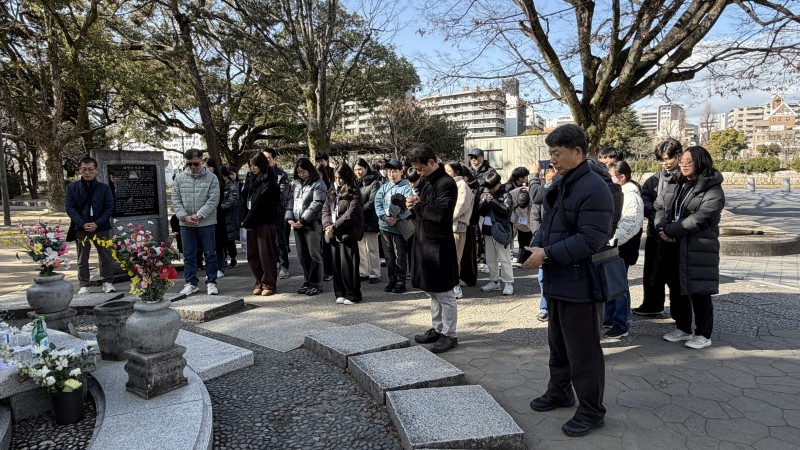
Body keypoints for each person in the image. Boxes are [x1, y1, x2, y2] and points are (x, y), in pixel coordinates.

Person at [522, 124, 613, 438]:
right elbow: (549, 225)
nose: (552, 160)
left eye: (557, 153)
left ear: (578, 151)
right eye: (550, 153)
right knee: (558, 345)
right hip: (558, 280)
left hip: (583, 284)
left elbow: (590, 240)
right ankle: (559, 391)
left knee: (583, 351)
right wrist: (536, 244)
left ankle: (591, 411)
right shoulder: (562, 184)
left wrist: (545, 254)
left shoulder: (594, 187)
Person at [654, 146, 724, 350]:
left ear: (701, 162)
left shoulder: (713, 189)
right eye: (682, 160)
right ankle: (683, 327)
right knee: (676, 288)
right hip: (672, 245)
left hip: (697, 247)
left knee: (699, 291)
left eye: (689, 161)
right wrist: (662, 228)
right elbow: (660, 207)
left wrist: (673, 230)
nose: (683, 164)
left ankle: (704, 333)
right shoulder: (675, 182)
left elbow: (702, 217)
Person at [407, 144, 460, 353]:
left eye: (420, 168)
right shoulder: (428, 182)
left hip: (439, 246)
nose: (418, 173)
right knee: (433, 291)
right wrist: (414, 205)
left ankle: (450, 334)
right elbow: (425, 211)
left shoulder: (446, 183)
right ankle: (438, 328)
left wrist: (417, 205)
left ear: (431, 162)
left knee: (445, 293)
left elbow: (440, 214)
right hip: (424, 242)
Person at [634, 139, 682, 316]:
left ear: (678, 155)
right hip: (655, 233)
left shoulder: (685, 177)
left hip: (676, 234)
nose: (665, 163)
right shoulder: (653, 179)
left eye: (668, 159)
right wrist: (655, 213)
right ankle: (652, 303)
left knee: (674, 275)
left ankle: (681, 314)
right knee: (652, 271)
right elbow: (643, 200)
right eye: (661, 160)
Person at [602, 161, 644, 339]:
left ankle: (621, 322)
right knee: (611, 283)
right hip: (615, 246)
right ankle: (610, 317)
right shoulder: (619, 192)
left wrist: (613, 240)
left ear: (622, 177)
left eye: (612, 175)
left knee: (619, 286)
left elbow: (630, 224)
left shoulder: (630, 195)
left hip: (621, 247)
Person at [172, 149, 221, 296]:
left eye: (196, 163)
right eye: (189, 164)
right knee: (189, 255)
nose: (193, 167)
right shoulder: (179, 178)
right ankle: (191, 282)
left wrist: (199, 215)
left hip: (206, 221)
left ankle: (211, 282)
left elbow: (213, 200)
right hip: (186, 223)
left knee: (210, 253)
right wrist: (184, 217)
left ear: (202, 161)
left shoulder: (212, 178)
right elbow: (176, 200)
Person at [65, 156, 116, 294]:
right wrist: (82, 223)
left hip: (101, 227)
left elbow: (109, 207)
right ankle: (84, 284)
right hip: (81, 228)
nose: (87, 173)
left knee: (105, 256)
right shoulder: (72, 187)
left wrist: (97, 223)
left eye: (90, 170)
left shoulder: (104, 188)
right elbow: (70, 208)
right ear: (80, 170)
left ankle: (108, 282)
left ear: (96, 171)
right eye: (84, 169)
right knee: (82, 258)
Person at [323, 163, 364, 304]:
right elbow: (326, 210)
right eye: (335, 177)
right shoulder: (332, 191)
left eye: (340, 178)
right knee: (336, 265)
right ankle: (339, 292)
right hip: (333, 233)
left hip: (348, 233)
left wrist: (335, 226)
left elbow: (351, 214)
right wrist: (327, 225)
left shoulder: (354, 191)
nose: (338, 180)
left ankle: (353, 294)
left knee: (349, 265)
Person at [286, 158, 327, 296]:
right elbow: (290, 201)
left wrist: (304, 220)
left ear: (309, 170)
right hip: (297, 223)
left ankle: (316, 283)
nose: (301, 174)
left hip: (311, 223)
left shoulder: (318, 183)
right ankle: (307, 281)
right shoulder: (295, 184)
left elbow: (317, 203)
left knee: (314, 254)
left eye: (303, 172)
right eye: (298, 172)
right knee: (302, 255)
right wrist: (289, 218)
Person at [241, 153, 280, 296]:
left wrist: (248, 220)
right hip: (251, 222)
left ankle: (269, 283)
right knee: (253, 254)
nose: (253, 168)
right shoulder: (251, 180)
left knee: (266, 254)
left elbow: (262, 204)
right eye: (251, 165)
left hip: (263, 222)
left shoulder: (270, 182)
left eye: (255, 165)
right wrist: (245, 219)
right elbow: (244, 199)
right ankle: (259, 281)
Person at [374, 159, 415, 294]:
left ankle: (400, 280)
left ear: (401, 172)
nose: (391, 174)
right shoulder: (384, 187)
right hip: (384, 226)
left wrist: (397, 217)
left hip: (399, 227)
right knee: (388, 255)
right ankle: (391, 279)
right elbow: (377, 203)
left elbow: (410, 207)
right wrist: (384, 217)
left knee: (400, 254)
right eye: (389, 171)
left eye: (394, 171)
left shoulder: (407, 187)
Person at [477, 170, 515, 296]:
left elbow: (506, 211)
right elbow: (480, 211)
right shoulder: (485, 194)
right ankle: (494, 281)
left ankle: (508, 283)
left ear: (499, 183)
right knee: (490, 259)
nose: (491, 190)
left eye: (493, 187)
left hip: (501, 230)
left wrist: (493, 201)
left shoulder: (506, 195)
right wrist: (484, 202)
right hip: (488, 231)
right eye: (489, 188)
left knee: (504, 258)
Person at [528, 162, 557, 321]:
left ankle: (554, 307)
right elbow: (534, 217)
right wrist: (538, 237)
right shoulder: (542, 192)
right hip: (544, 240)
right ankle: (544, 307)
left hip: (558, 242)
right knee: (542, 277)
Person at [444, 162, 474, 299]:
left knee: (455, 257)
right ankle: (450, 283)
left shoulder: (462, 186)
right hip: (449, 224)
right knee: (449, 257)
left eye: (448, 171)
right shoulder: (450, 184)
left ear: (456, 172)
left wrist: (445, 217)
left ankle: (455, 286)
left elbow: (461, 206)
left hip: (458, 225)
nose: (445, 173)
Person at [264, 149, 291, 279]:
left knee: (281, 240)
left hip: (277, 213)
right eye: (264, 158)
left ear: (274, 159)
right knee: (267, 241)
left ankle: (284, 266)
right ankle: (272, 263)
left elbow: (282, 196)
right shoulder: (261, 174)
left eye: (269, 158)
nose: (266, 160)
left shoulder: (282, 175)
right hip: (264, 214)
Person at [354, 158, 381, 284]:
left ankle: (375, 273)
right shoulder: (355, 183)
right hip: (358, 221)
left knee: (372, 249)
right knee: (361, 249)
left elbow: (373, 201)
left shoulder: (375, 182)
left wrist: (358, 210)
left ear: (366, 168)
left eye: (360, 169)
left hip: (370, 220)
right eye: (356, 169)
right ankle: (363, 272)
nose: (358, 172)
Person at [205, 158, 228, 279]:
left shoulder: (218, 181)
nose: (207, 169)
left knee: (218, 244)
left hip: (217, 215)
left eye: (209, 166)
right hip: (205, 216)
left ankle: (220, 267)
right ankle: (212, 268)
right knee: (208, 245)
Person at [506, 167, 531, 265]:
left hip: (517, 217)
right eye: (526, 176)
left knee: (522, 237)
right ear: (520, 178)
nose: (527, 178)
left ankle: (521, 259)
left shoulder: (517, 185)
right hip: (510, 217)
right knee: (512, 237)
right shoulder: (510, 187)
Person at [219, 165, 240, 268]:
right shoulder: (222, 186)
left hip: (230, 216)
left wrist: (220, 208)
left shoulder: (232, 186)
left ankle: (233, 258)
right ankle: (223, 258)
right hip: (223, 216)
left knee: (230, 240)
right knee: (223, 239)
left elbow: (232, 201)